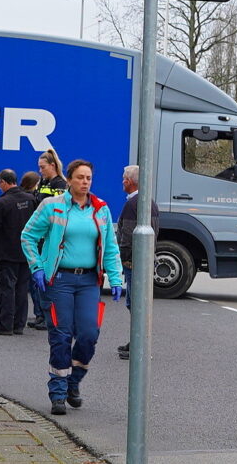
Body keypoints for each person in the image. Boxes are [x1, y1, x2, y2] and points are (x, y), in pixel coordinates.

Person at [21, 157, 125, 415]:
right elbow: (28, 236)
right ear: (69, 180)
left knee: (89, 334)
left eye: (88, 178)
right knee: (61, 335)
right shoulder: (52, 206)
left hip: (89, 281)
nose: (85, 182)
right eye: (80, 177)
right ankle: (58, 392)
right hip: (60, 281)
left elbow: (110, 247)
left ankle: (73, 382)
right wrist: (36, 267)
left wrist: (115, 277)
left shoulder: (100, 209)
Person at [0, 168, 39, 335]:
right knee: (22, 289)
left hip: (6, 253)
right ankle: (18, 325)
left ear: (3, 182)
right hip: (26, 252)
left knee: (6, 289)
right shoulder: (31, 199)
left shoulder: (2, 203)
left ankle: (5, 325)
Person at [23, 150, 66, 330]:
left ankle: (48, 316)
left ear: (52, 166)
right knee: (35, 279)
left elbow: (57, 211)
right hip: (39, 235)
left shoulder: (60, 184)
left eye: (43, 167)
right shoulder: (43, 183)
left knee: (47, 279)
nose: (40, 171)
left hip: (49, 238)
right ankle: (40, 314)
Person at [116, 163, 153, 361]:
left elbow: (128, 236)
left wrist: (123, 259)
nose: (122, 182)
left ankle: (138, 345)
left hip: (133, 263)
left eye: (124, 178)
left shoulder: (132, 204)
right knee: (137, 304)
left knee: (135, 304)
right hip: (141, 261)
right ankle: (136, 342)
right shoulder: (148, 202)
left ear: (130, 181)